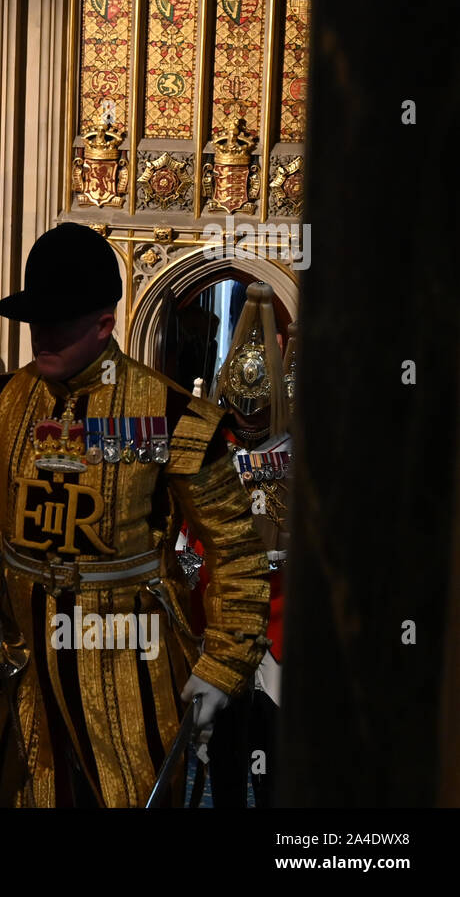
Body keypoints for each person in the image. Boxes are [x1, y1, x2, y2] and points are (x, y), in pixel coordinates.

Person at [0, 222, 272, 808]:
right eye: (35, 319)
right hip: (23, 673)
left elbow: (236, 551)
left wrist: (223, 664)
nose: (42, 335)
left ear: (105, 323)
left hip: (130, 667)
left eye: (61, 321)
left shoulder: (174, 418)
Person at [193, 284, 291, 806]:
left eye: (259, 412)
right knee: (223, 754)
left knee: (273, 755)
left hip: (280, 612)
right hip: (222, 614)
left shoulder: (297, 451)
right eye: (241, 411)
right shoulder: (211, 451)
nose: (249, 422)